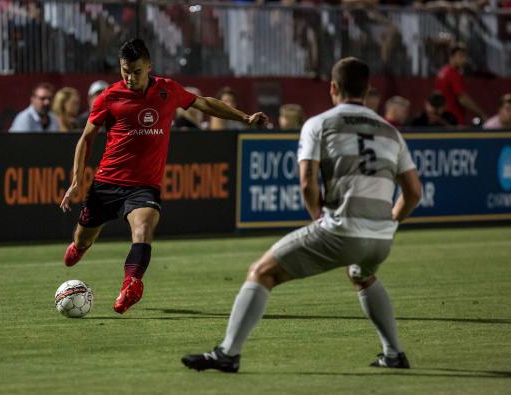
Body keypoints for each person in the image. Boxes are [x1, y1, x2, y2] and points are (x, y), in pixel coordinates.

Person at [182, 57, 422, 373]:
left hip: (342, 228)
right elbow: (414, 192)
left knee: (261, 272)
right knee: (362, 275)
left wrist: (318, 219)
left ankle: (228, 353)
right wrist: (391, 220)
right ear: (366, 90)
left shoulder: (319, 123)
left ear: (333, 87)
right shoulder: (391, 132)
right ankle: (393, 354)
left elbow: (307, 181)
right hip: (381, 237)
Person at [59, 39, 267, 315]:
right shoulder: (110, 97)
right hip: (107, 183)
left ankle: (131, 284)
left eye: (136, 71)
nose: (130, 77)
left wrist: (245, 118)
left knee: (143, 229)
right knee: (83, 239)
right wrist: (76, 179)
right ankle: (80, 245)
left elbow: (204, 104)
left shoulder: (167, 90)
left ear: (148, 67)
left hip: (144, 186)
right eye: (124, 71)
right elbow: (86, 138)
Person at [434, 43, 487, 126]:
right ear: (452, 57)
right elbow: (462, 99)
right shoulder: (453, 74)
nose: (464, 59)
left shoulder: (442, 72)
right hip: (454, 120)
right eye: (460, 56)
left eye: (465, 56)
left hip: (443, 120)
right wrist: (481, 113)